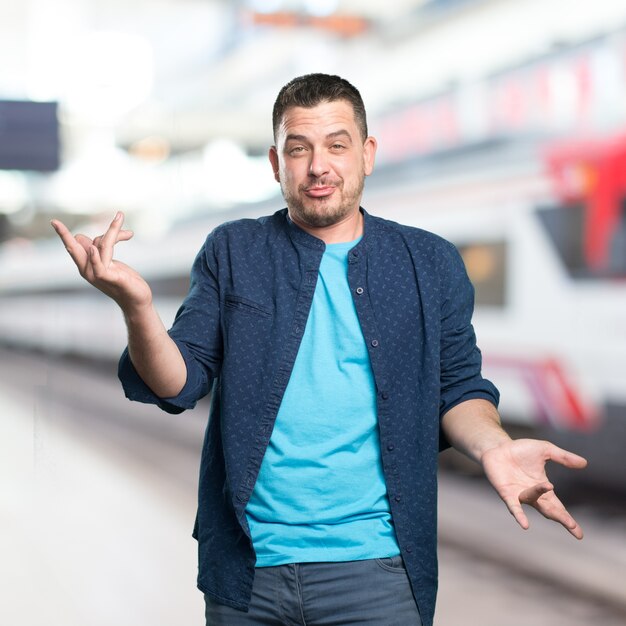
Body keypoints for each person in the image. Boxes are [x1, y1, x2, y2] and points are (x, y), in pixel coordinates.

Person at [51, 73, 587, 626]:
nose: (318, 166)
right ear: (274, 162)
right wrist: (137, 307)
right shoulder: (234, 250)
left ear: (367, 153)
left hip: (378, 570)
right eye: (298, 149)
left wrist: (493, 445)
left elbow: (459, 389)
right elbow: (178, 383)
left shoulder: (429, 263)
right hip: (248, 569)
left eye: (337, 144)